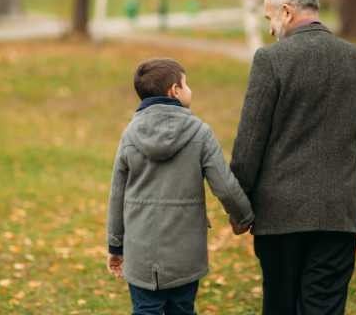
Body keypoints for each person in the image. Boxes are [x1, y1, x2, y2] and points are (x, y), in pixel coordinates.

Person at [231, 0, 356, 314]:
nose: (270, 28)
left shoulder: (271, 60)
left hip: (278, 216)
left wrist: (239, 207)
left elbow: (249, 144)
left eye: (270, 18)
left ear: (286, 12)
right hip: (337, 214)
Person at [106, 58, 254, 315]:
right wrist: (243, 217)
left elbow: (117, 194)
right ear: (174, 90)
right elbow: (225, 186)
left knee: (145, 309)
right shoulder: (199, 132)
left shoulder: (130, 134)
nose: (190, 90)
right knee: (182, 309)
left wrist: (115, 246)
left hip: (141, 252)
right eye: (186, 84)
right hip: (185, 254)